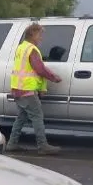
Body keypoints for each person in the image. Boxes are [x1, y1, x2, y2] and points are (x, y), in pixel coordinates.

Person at [6, 23, 62, 155]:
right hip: (27, 90)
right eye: (40, 35)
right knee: (37, 116)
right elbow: (40, 69)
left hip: (18, 89)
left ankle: (12, 143)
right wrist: (54, 78)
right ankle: (42, 146)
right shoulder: (32, 49)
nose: (41, 38)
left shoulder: (21, 48)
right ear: (33, 35)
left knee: (21, 117)